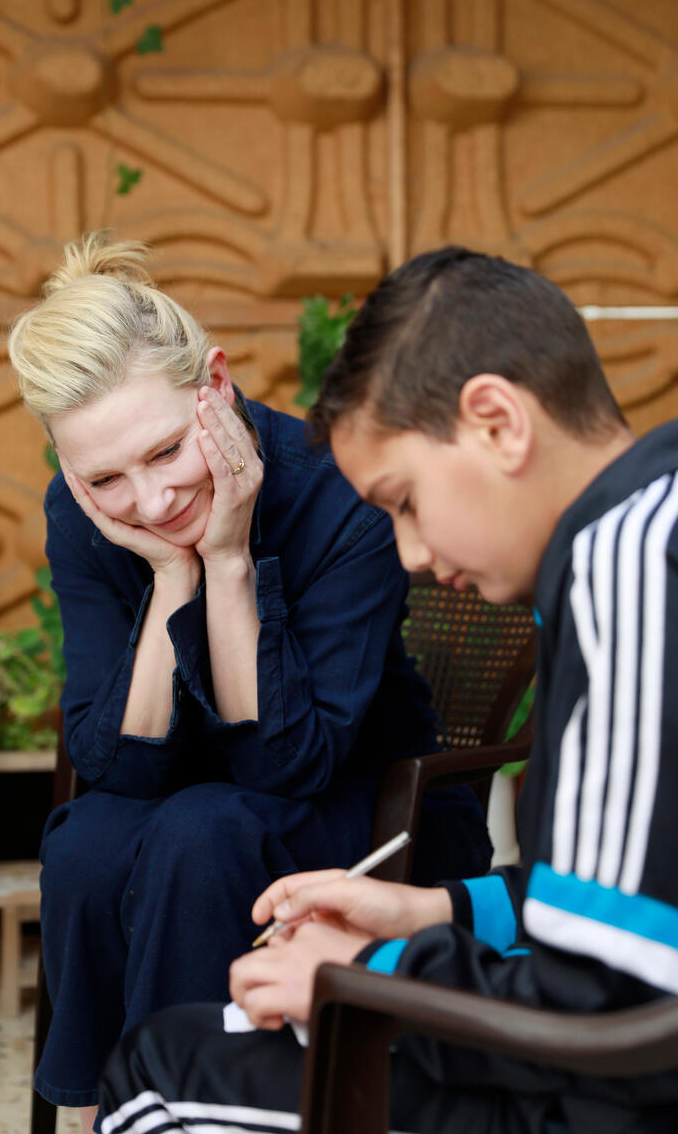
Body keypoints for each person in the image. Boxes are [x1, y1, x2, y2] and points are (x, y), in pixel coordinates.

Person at [96, 245, 678, 1134]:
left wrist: (367, 978)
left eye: (404, 500)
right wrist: (440, 907)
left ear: (496, 421)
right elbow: (638, 905)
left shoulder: (627, 562)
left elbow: (611, 1010)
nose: (409, 554)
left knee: (158, 1075)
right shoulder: (643, 534)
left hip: (602, 1101)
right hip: (595, 1058)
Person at [7, 233, 492, 1131]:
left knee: (205, 826)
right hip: (195, 806)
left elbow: (284, 766)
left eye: (163, 454)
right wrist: (171, 579)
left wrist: (226, 560)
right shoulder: (83, 513)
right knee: (89, 839)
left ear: (215, 388)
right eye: (104, 476)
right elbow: (117, 763)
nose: (149, 504)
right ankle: (99, 1111)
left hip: (380, 808)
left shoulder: (336, 490)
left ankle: (187, 1107)